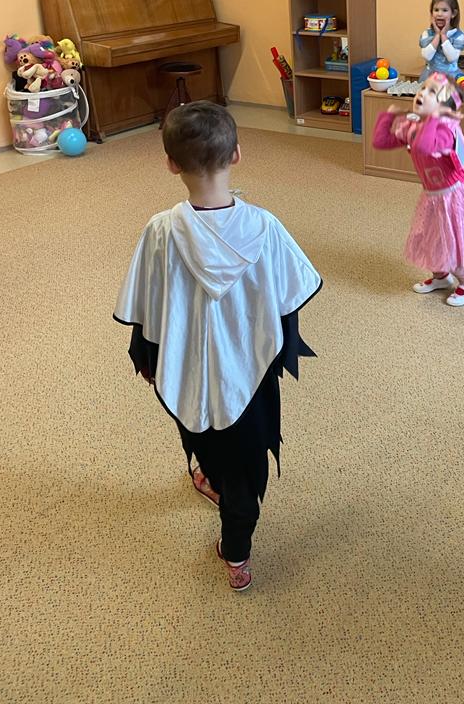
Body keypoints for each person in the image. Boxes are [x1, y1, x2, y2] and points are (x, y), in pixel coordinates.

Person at [114, 102, 321, 591]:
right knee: (245, 455)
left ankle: (226, 517)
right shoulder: (265, 226)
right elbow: (288, 299)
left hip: (184, 362)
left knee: (197, 423)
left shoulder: (160, 230)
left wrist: (145, 356)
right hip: (251, 368)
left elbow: (146, 305)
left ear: (171, 164)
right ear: (237, 155)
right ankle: (236, 553)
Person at [372, 72, 464, 306]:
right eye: (423, 88)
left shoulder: (445, 130)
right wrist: (387, 118)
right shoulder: (416, 125)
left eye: (432, 92)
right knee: (430, 239)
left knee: (451, 244)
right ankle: (441, 276)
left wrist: (431, 119)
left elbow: (424, 147)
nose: (422, 93)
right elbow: (381, 142)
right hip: (432, 197)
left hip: (454, 197)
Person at [418, 0, 464, 82]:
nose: (439, 14)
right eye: (436, 10)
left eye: (445, 10)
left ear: (453, 13)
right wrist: (437, 35)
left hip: (450, 78)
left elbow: (452, 58)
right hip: (430, 78)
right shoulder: (427, 33)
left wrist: (443, 35)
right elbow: (427, 56)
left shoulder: (458, 35)